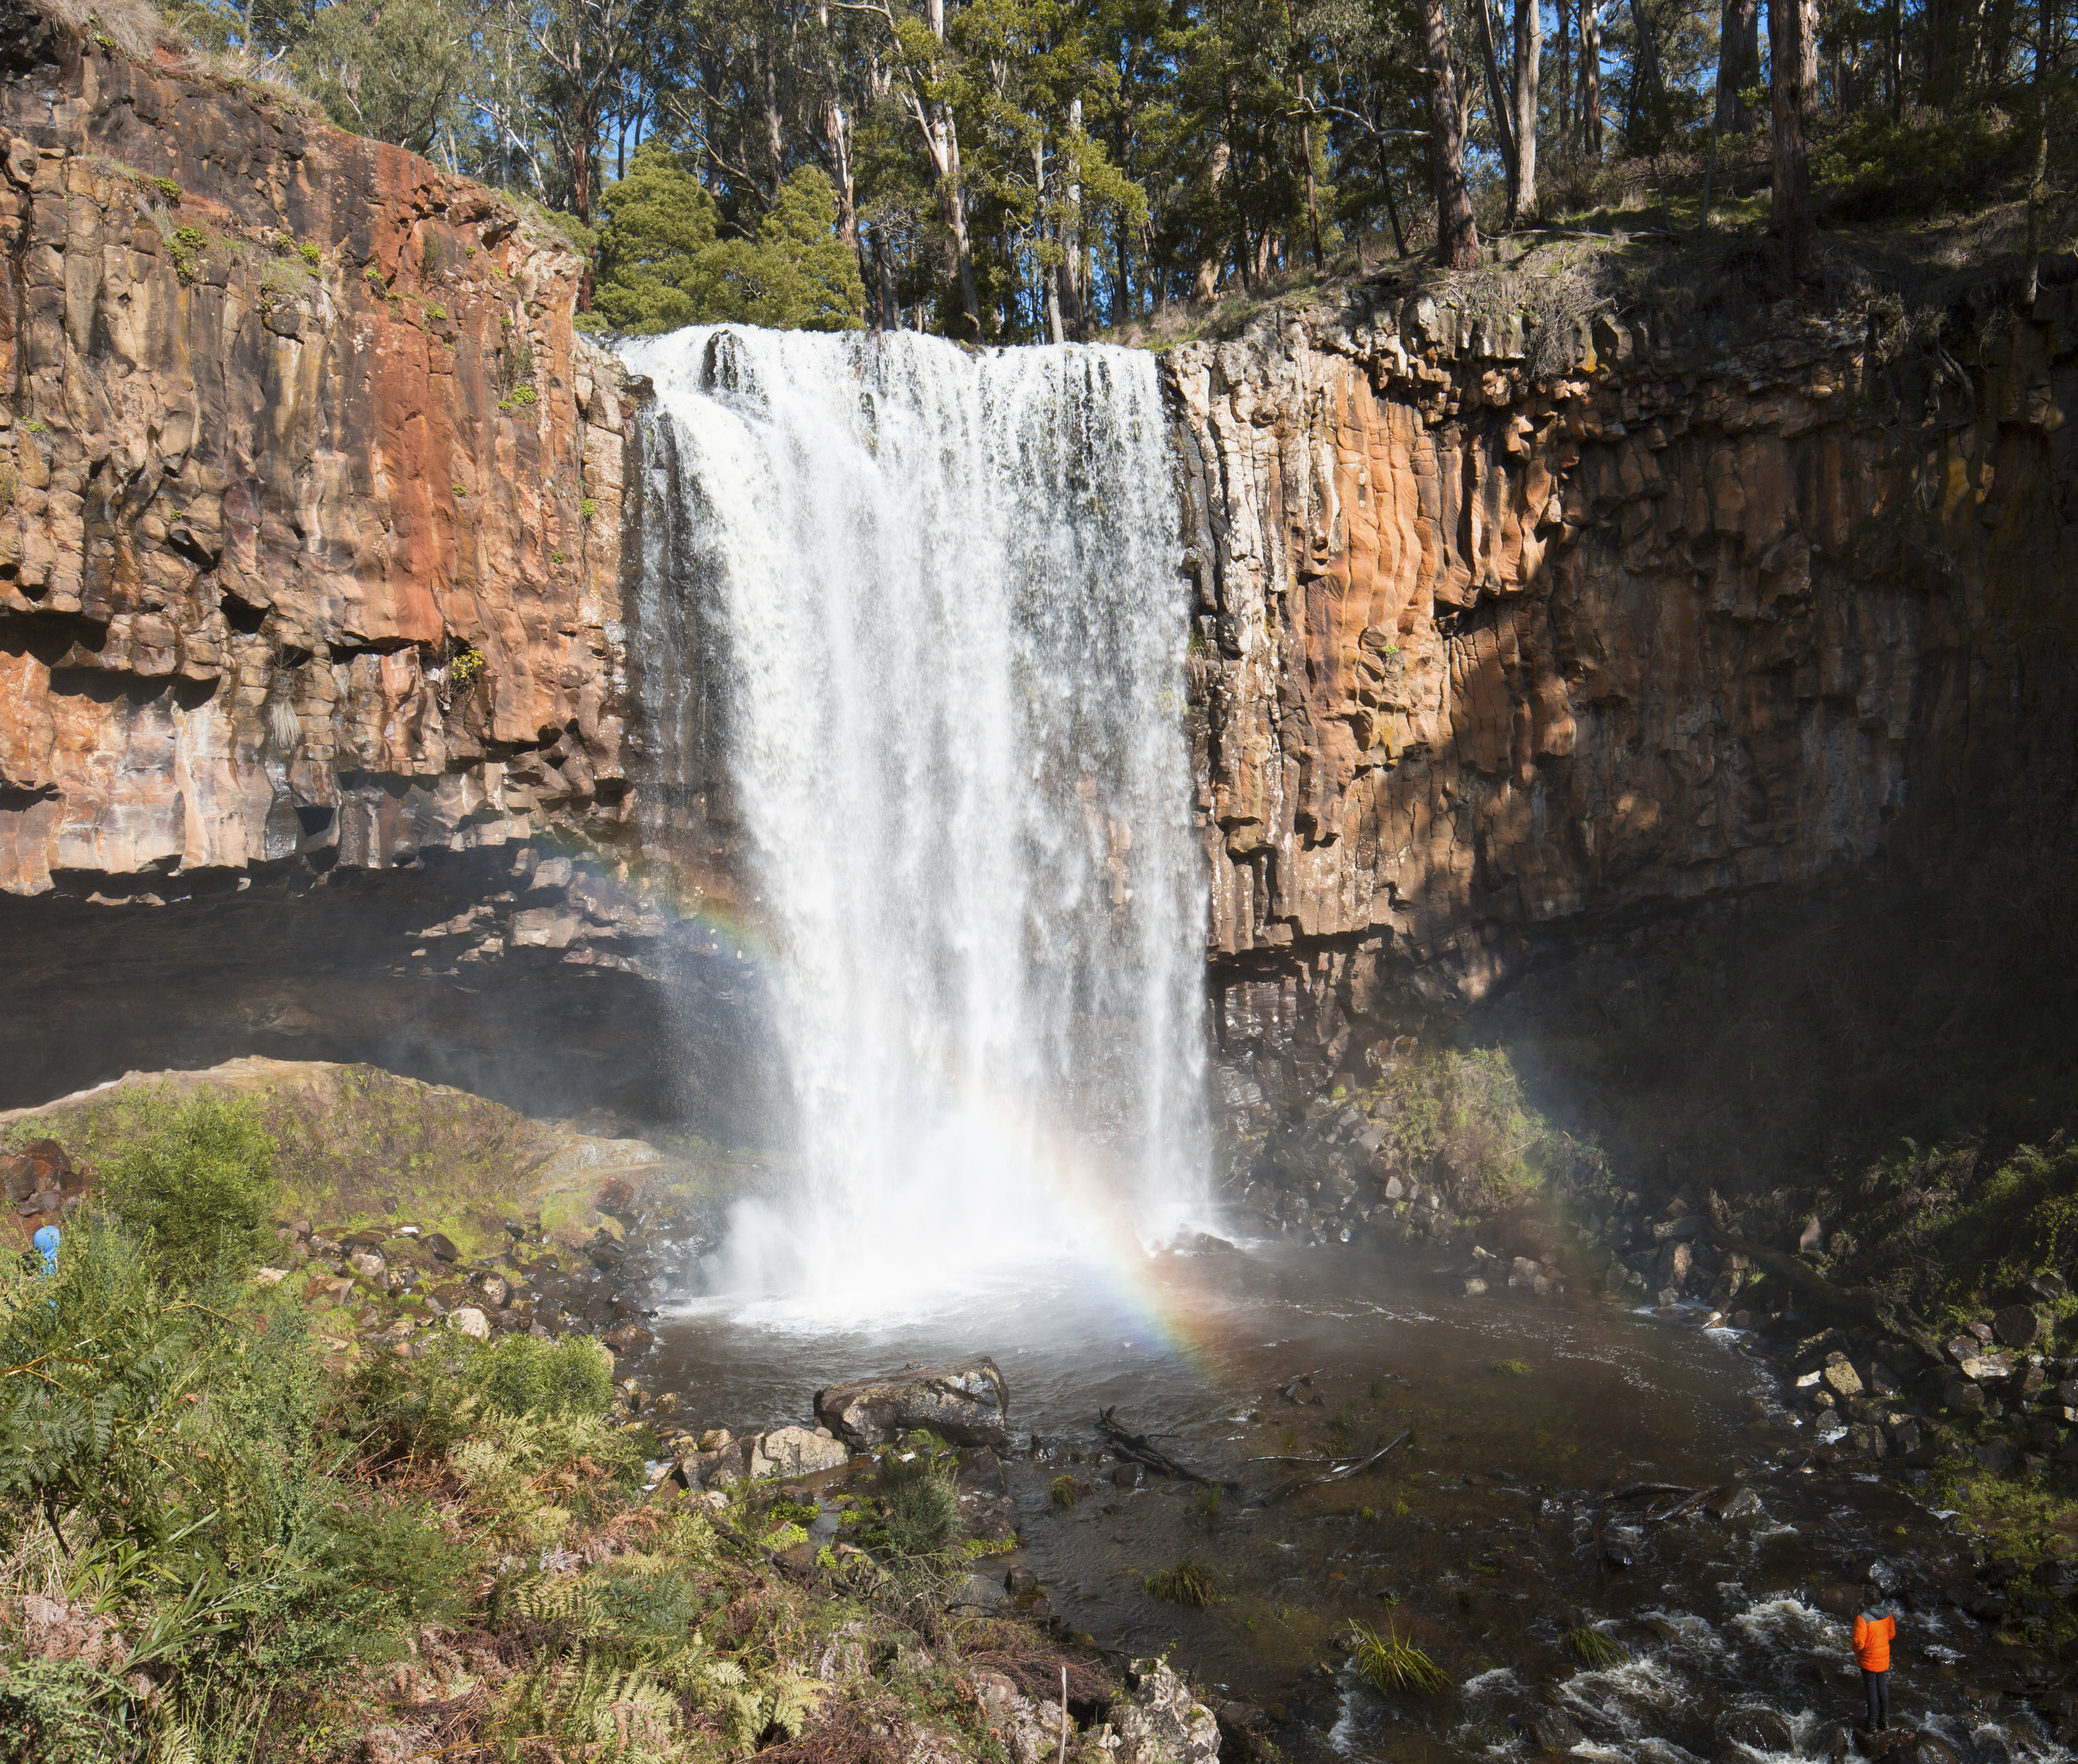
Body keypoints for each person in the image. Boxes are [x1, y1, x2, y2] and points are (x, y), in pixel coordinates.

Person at [1853, 1590, 1898, 1732]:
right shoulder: (1888, 1614)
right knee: (1882, 1686)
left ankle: (1872, 1724)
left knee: (1871, 1690)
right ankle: (1884, 1721)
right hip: (1883, 1657)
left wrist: (1854, 1648)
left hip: (1869, 1659)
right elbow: (1891, 1634)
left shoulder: (1863, 1618)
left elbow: (1858, 1643)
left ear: (1866, 1600)